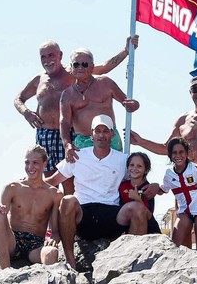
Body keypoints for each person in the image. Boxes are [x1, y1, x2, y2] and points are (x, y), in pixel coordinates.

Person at [14, 36, 138, 194]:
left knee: (70, 180)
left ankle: (74, 210)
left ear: (60, 55)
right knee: (49, 179)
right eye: (43, 56)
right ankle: (51, 215)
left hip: (69, 134)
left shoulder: (75, 71)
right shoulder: (39, 80)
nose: (47, 59)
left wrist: (126, 51)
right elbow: (18, 99)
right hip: (44, 133)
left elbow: (105, 67)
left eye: (51, 55)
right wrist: (26, 113)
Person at [131, 75, 197, 256]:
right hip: (183, 179)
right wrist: (140, 141)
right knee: (184, 222)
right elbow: (167, 148)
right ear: (190, 93)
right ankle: (188, 264)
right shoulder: (183, 120)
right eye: (195, 89)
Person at [46, 114, 154, 269]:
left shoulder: (123, 160)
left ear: (112, 134)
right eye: (98, 131)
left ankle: (132, 266)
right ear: (92, 134)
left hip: (112, 215)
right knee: (68, 200)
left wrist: (155, 186)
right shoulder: (77, 156)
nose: (101, 135)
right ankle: (71, 264)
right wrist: (28, 183)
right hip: (83, 216)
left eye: (105, 131)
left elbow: (139, 178)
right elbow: (52, 182)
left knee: (137, 209)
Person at [60, 48, 139, 160]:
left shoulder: (105, 83)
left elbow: (128, 102)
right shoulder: (67, 95)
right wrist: (67, 145)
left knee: (115, 175)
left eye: (85, 64)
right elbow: (64, 122)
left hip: (110, 139)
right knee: (84, 177)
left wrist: (134, 105)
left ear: (92, 66)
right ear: (71, 67)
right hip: (84, 142)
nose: (80, 68)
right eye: (76, 64)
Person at [0, 145, 62, 268]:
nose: (30, 167)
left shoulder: (54, 194)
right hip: (13, 242)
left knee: (52, 252)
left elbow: (55, 232)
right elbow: (0, 222)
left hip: (36, 246)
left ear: (44, 164)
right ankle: (5, 274)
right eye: (27, 163)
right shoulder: (12, 188)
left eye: (35, 163)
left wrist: (53, 241)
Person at [159, 137, 197, 257]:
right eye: (174, 153)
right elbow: (163, 189)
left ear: (187, 153)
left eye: (181, 152)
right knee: (175, 245)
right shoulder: (169, 174)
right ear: (170, 155)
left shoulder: (195, 168)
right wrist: (152, 188)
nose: (178, 156)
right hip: (184, 212)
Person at [119, 152, 161, 234]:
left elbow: (149, 216)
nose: (135, 168)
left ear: (146, 170)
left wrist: (138, 199)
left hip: (148, 231)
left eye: (139, 166)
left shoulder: (148, 188)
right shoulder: (122, 185)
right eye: (132, 165)